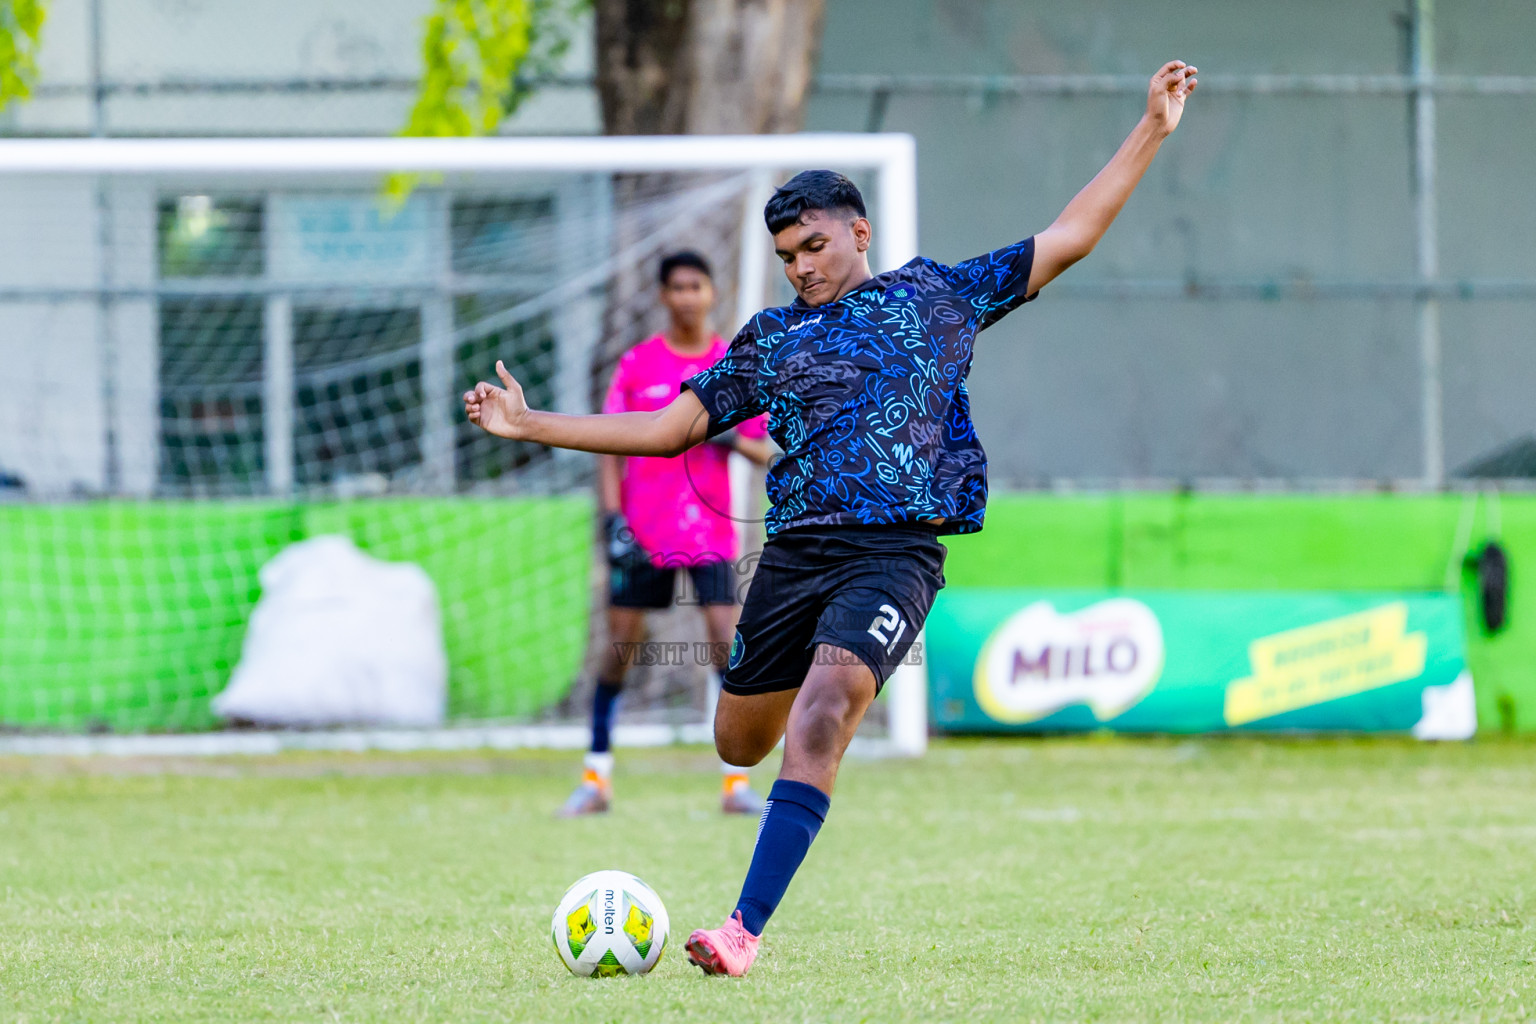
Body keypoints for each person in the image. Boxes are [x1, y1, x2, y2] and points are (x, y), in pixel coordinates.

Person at [466, 60, 1198, 975]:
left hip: (893, 558)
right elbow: (666, 429)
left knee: (824, 716)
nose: (802, 267)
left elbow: (1070, 234)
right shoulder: (771, 341)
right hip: (794, 558)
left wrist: (1153, 128)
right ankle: (756, 779)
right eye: (786, 257)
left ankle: (741, 932)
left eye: (813, 246)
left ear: (858, 231)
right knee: (738, 739)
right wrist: (532, 423)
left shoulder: (938, 296)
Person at [561, 250, 777, 818]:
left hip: (708, 531)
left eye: (696, 286)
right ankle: (596, 776)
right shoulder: (637, 365)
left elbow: (762, 449)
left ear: (712, 293)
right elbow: (608, 445)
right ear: (663, 295)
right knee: (618, 652)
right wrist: (613, 521)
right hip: (642, 530)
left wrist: (720, 434)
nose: (686, 297)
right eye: (676, 287)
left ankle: (736, 785)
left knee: (727, 646)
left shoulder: (733, 363)